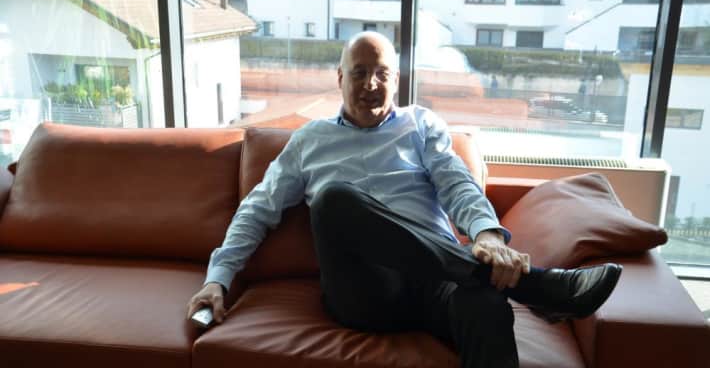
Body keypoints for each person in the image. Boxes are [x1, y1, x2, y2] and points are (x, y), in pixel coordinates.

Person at [187, 32, 622, 368]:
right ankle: (535, 287)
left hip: (438, 284)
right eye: (359, 72)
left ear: (396, 80)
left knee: (485, 301)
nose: (370, 84)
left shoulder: (420, 125)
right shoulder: (309, 140)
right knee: (335, 200)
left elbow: (456, 183)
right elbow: (257, 209)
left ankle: (497, 278)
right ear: (340, 79)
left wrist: (487, 234)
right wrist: (218, 278)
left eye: (382, 73)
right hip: (363, 292)